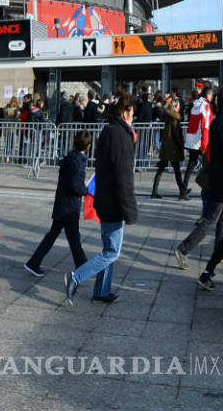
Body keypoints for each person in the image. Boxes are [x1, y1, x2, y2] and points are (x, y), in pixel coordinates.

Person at [64, 92, 137, 305]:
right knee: (112, 251)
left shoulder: (108, 131)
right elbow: (123, 175)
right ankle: (75, 277)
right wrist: (129, 208)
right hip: (114, 200)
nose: (133, 118)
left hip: (104, 198)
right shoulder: (121, 136)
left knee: (108, 248)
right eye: (132, 114)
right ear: (125, 113)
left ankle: (102, 290)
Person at [174, 87, 223, 273]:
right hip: (222, 178)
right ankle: (183, 249)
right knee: (212, 218)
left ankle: (220, 252)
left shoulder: (219, 119)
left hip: (218, 176)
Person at [24, 131, 92, 276]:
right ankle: (83, 267)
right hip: (70, 207)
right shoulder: (78, 162)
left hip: (62, 203)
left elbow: (71, 182)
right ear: (88, 146)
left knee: (55, 235)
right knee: (73, 239)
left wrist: (81, 184)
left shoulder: (70, 158)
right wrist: (86, 189)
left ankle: (34, 262)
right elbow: (75, 186)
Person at [181, 86, 214, 198]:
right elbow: (206, 127)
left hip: (191, 139)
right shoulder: (206, 107)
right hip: (200, 142)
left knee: (191, 166)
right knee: (207, 166)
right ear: (208, 95)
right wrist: (205, 146)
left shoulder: (196, 104)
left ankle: (183, 190)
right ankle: (207, 191)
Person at [151, 98, 186, 199]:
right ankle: (182, 192)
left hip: (166, 147)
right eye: (178, 106)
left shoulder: (168, 116)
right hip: (172, 147)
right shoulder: (174, 118)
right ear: (175, 107)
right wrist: (181, 143)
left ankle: (154, 191)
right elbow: (176, 134)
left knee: (162, 169)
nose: (179, 108)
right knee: (177, 170)